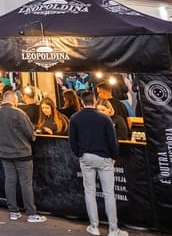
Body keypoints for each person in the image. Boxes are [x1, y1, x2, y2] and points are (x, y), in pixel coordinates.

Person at [69, 90, 126, 236]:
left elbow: (72, 141)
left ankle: (94, 226)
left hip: (86, 157)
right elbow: (112, 141)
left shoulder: (75, 118)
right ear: (94, 101)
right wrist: (114, 156)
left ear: (82, 102)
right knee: (109, 193)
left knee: (89, 192)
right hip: (104, 158)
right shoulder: (105, 118)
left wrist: (79, 154)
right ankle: (113, 229)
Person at [0, 90, 46, 223]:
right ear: (14, 100)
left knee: (10, 181)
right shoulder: (19, 113)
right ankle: (31, 214)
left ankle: (13, 212)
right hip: (22, 153)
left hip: (4, 153)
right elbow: (31, 134)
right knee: (26, 183)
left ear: (4, 100)